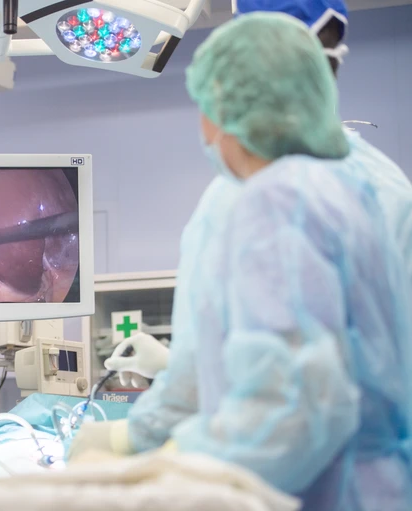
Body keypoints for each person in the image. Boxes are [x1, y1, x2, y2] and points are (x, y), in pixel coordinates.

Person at [69, 13, 412, 510]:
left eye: (205, 107)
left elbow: (292, 412)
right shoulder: (348, 190)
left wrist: (166, 466)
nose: (205, 128)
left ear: (231, 109)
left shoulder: (278, 201)